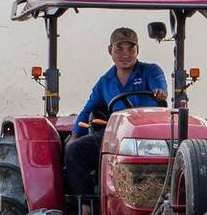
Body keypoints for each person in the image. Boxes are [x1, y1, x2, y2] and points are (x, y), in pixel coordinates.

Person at [64, 27, 168, 201]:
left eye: (131, 49)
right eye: (119, 48)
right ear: (110, 50)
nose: (125, 54)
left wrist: (160, 92)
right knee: (74, 150)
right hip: (117, 135)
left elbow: (160, 87)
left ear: (137, 51)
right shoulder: (105, 82)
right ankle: (86, 206)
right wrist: (75, 134)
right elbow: (87, 110)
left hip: (151, 136)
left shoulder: (151, 72)